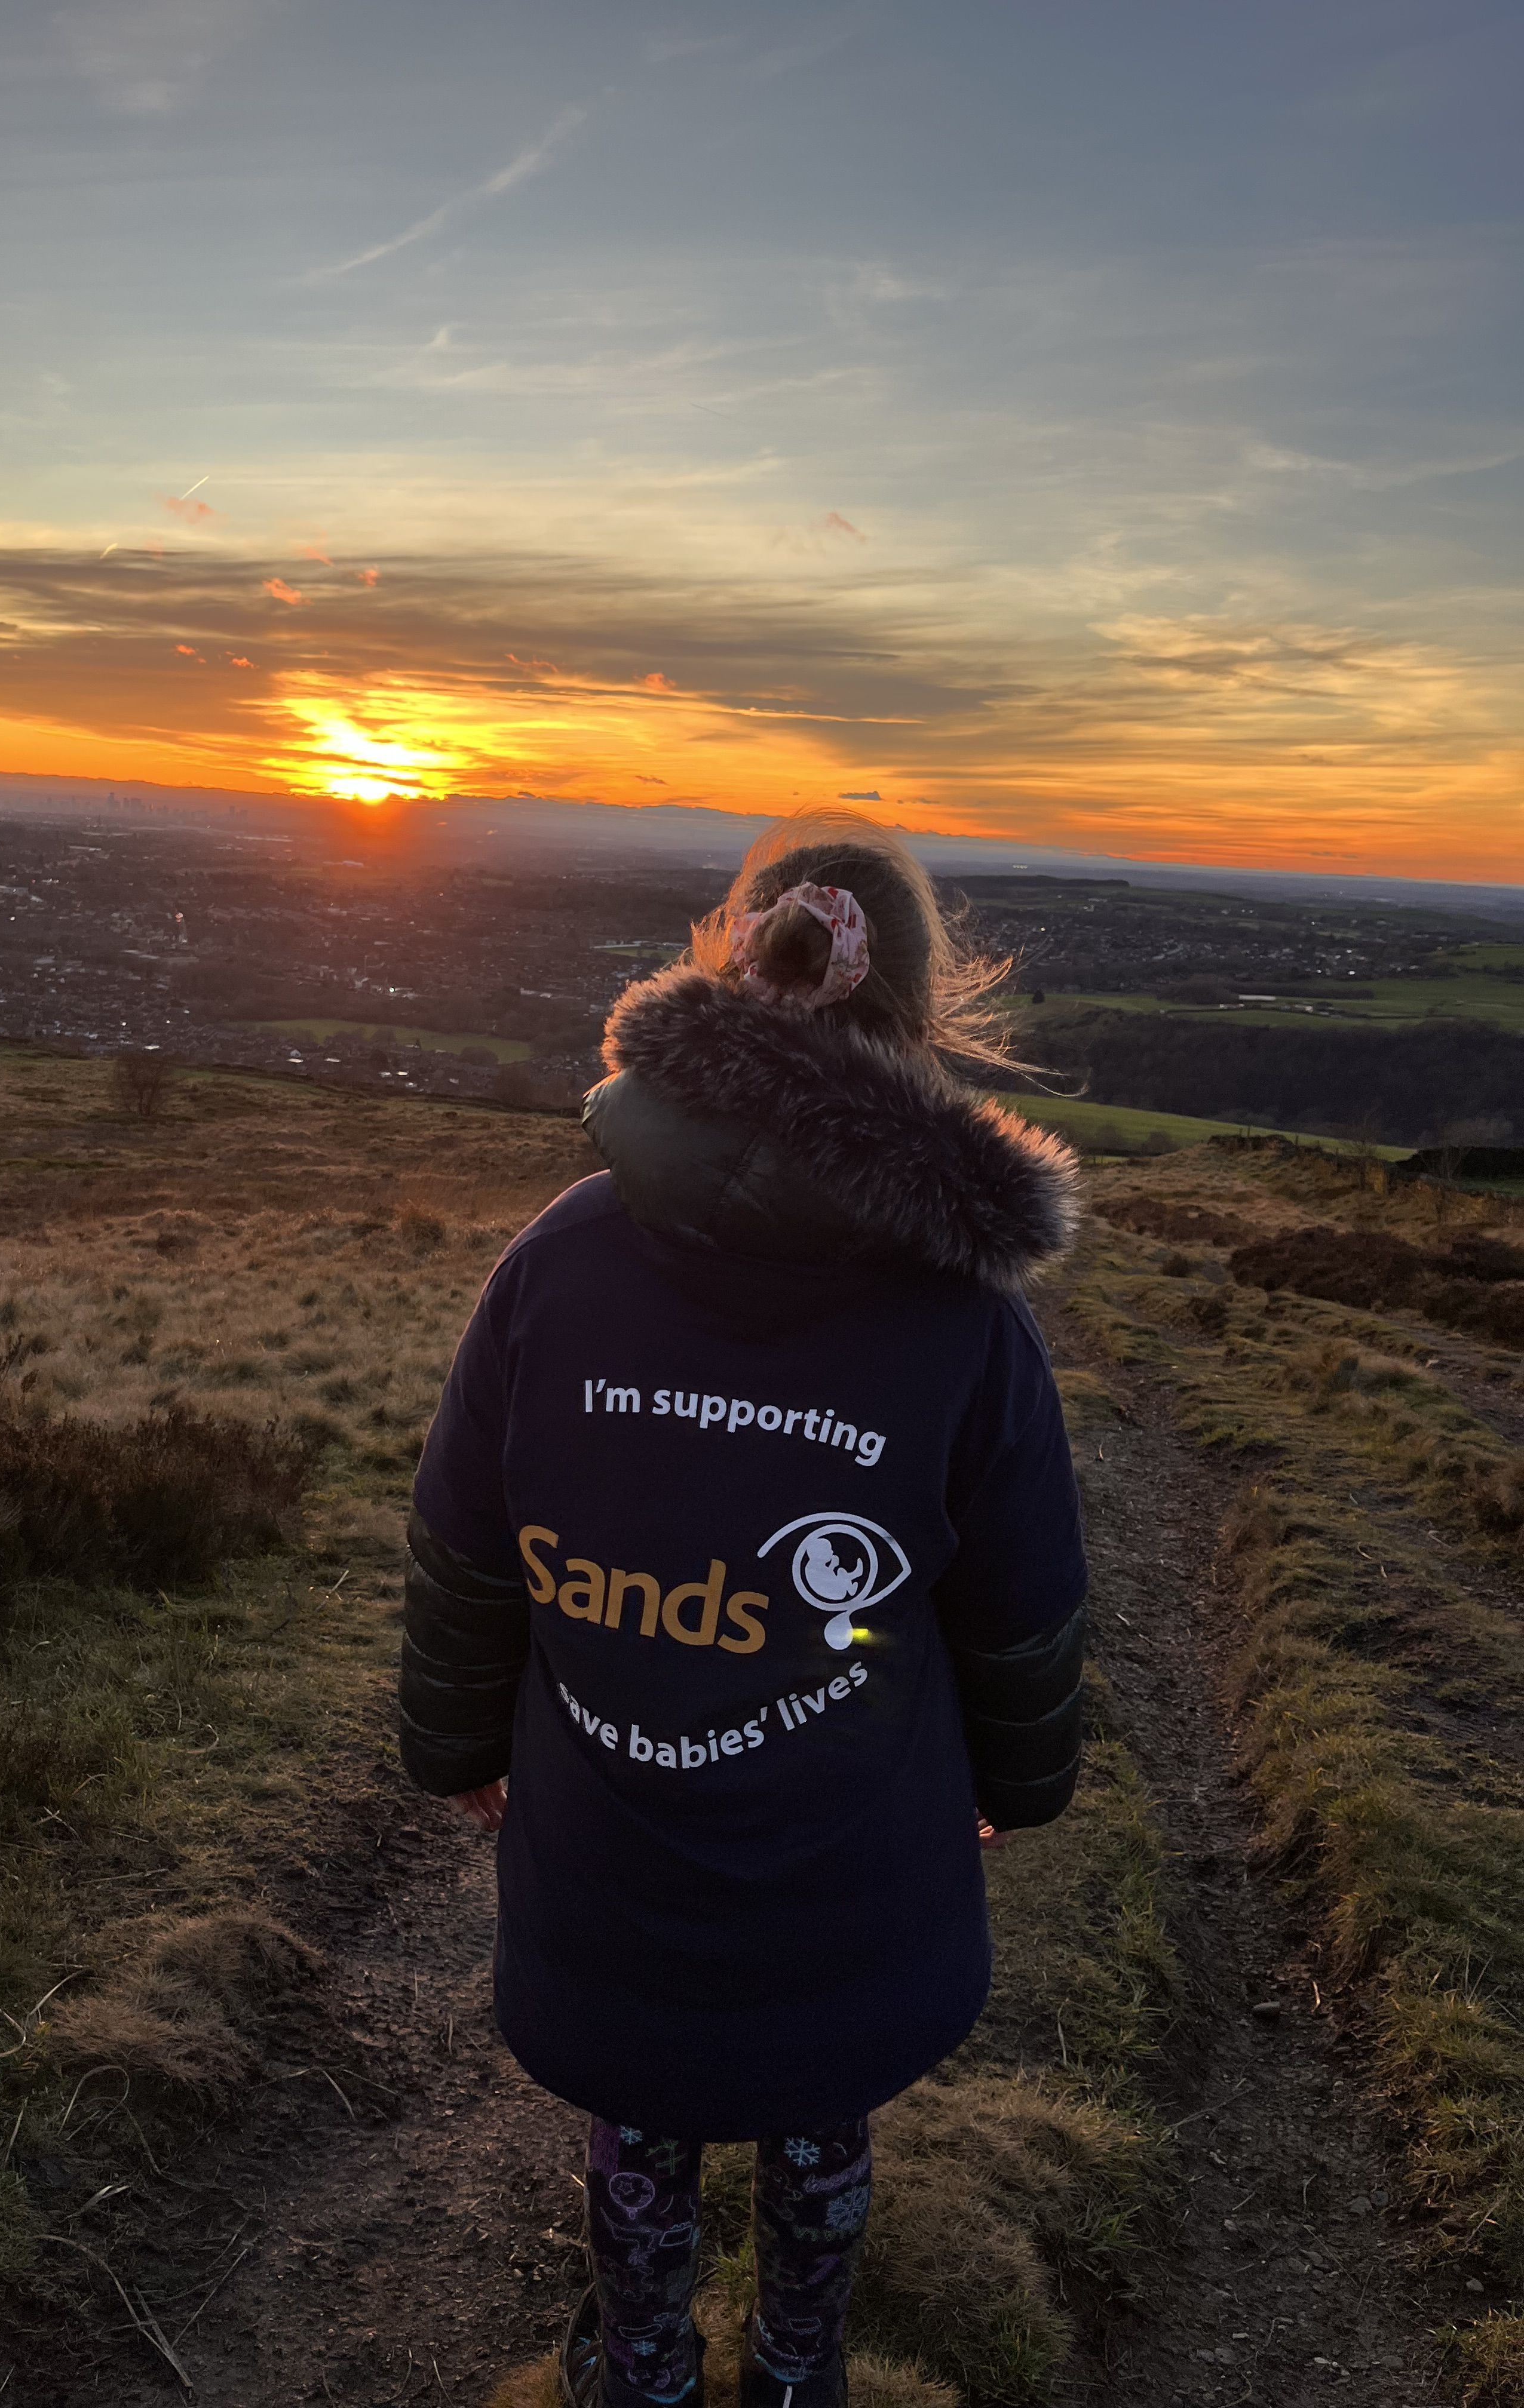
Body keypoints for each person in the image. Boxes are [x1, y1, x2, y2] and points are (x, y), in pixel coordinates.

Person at [399, 813, 1087, 2408]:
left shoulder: (556, 1263)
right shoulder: (963, 1324)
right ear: (918, 1024)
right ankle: (793, 2371)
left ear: (725, 962)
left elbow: (465, 1549)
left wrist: (459, 1750)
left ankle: (638, 2364)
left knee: (636, 2122)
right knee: (818, 2109)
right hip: (856, 1867)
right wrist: (1016, 1788)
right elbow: (1023, 1611)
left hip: (606, 1848)